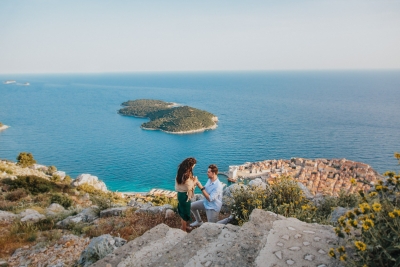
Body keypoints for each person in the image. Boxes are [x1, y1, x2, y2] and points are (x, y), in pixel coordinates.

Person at [175, 157, 198, 232]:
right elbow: (189, 187)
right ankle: (184, 229)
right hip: (185, 195)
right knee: (185, 213)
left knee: (182, 212)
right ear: (190, 165)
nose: (194, 167)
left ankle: (184, 226)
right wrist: (195, 181)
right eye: (193, 165)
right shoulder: (186, 175)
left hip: (180, 194)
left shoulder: (180, 171)